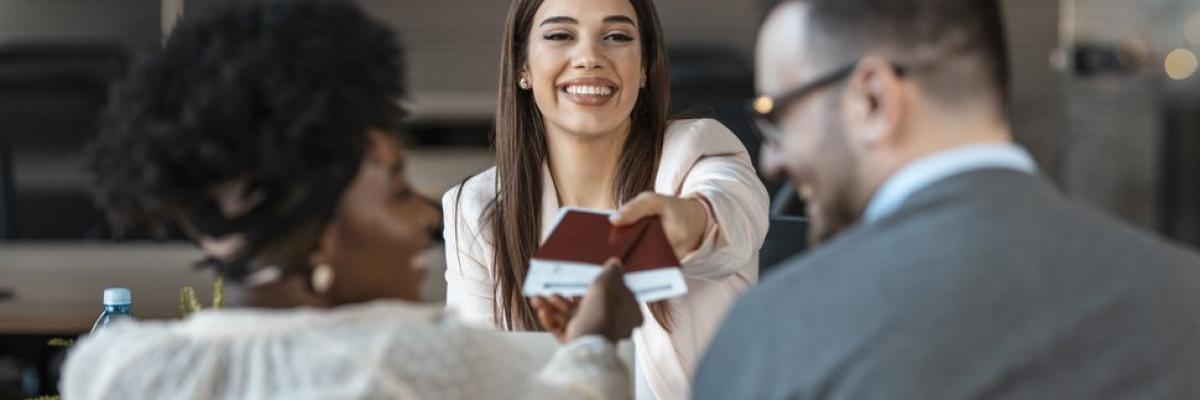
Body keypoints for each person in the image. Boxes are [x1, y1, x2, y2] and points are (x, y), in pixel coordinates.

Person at [60, 1, 644, 398]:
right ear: (325, 236)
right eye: (395, 192)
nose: (421, 215)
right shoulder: (407, 362)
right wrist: (596, 335)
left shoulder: (111, 367)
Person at [695, 0, 1200, 398]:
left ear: (873, 100)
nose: (772, 160)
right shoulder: (1183, 294)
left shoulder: (779, 331)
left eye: (776, 114)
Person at [441, 0, 770, 398]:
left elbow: (734, 214)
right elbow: (476, 382)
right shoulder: (476, 207)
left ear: (645, 67)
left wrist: (687, 223)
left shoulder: (697, 151)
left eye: (616, 37)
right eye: (560, 35)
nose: (589, 58)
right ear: (522, 67)